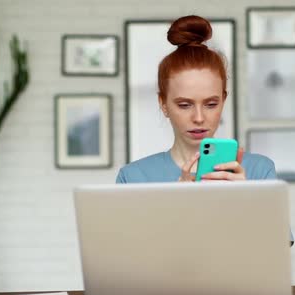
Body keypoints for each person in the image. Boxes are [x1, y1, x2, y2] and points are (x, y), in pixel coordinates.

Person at [116, 15, 277, 184]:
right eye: (184, 105)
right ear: (163, 104)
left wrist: (242, 197)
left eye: (211, 104)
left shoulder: (259, 171)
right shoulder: (132, 178)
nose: (199, 118)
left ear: (223, 101)